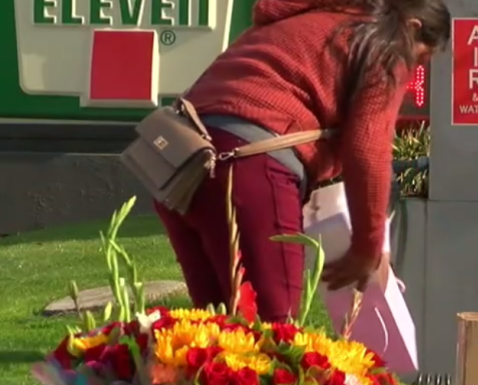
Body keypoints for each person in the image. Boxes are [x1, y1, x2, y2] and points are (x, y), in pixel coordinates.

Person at [158, 0, 451, 322]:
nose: (415, 70)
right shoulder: (386, 43)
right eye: (422, 57)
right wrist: (367, 249)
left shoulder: (316, 19)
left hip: (179, 161)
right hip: (248, 163)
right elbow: (368, 150)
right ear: (413, 28)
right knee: (274, 329)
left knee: (216, 330)